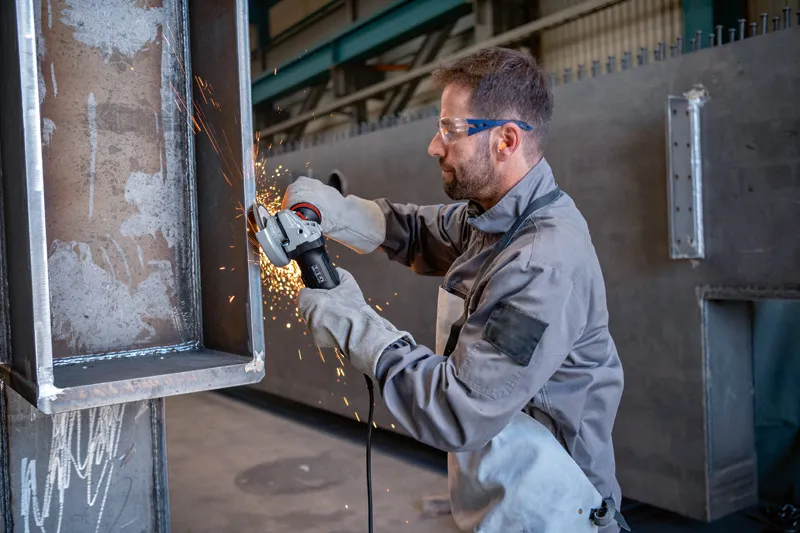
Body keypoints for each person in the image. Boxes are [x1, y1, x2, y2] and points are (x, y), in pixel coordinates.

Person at [283, 47, 627, 532]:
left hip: (556, 509)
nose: (434, 146)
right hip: (505, 496)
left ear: (506, 140)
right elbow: (423, 232)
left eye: (451, 130)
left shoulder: (540, 261)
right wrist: (339, 212)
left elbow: (459, 408)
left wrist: (356, 325)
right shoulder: (493, 218)